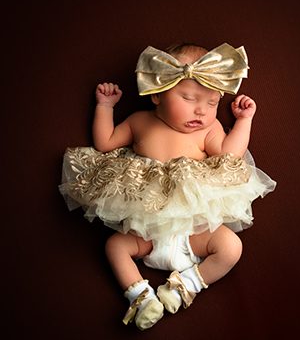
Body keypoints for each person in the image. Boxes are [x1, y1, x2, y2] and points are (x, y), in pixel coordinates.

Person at [59, 43, 276, 330]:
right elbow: (104, 142)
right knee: (114, 246)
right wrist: (105, 107)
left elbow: (229, 154)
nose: (201, 110)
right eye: (188, 98)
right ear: (157, 94)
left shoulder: (207, 131)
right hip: (146, 231)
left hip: (194, 231)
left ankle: (185, 286)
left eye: (211, 104)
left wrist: (243, 121)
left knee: (231, 247)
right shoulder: (139, 122)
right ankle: (141, 296)